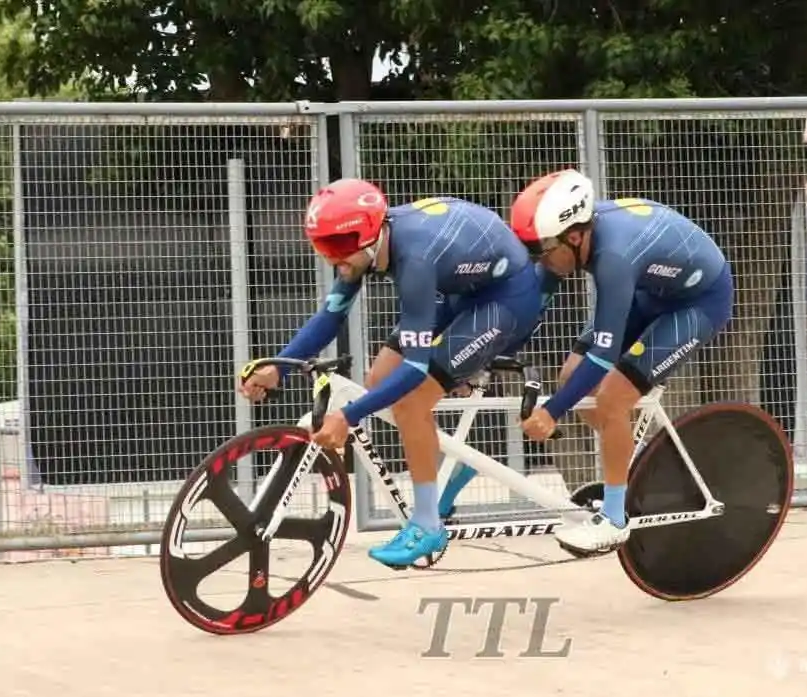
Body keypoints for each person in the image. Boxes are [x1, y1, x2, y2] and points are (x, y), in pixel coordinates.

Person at [239, 179, 549, 568]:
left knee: (411, 401)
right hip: (461, 288)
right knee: (378, 383)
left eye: (337, 247)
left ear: (368, 235)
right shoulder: (367, 247)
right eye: (322, 247)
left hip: (507, 298)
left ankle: (426, 524)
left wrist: (348, 416)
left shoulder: (413, 260)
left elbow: (416, 369)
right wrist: (277, 367)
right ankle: (456, 464)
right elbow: (330, 317)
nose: (333, 259)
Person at [509, 169, 734, 556]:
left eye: (543, 249)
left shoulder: (613, 256)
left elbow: (603, 357)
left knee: (612, 397)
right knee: (571, 376)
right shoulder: (578, 241)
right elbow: (534, 299)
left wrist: (552, 411)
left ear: (575, 236)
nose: (540, 260)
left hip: (699, 302)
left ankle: (614, 519)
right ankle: (649, 463)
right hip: (654, 292)